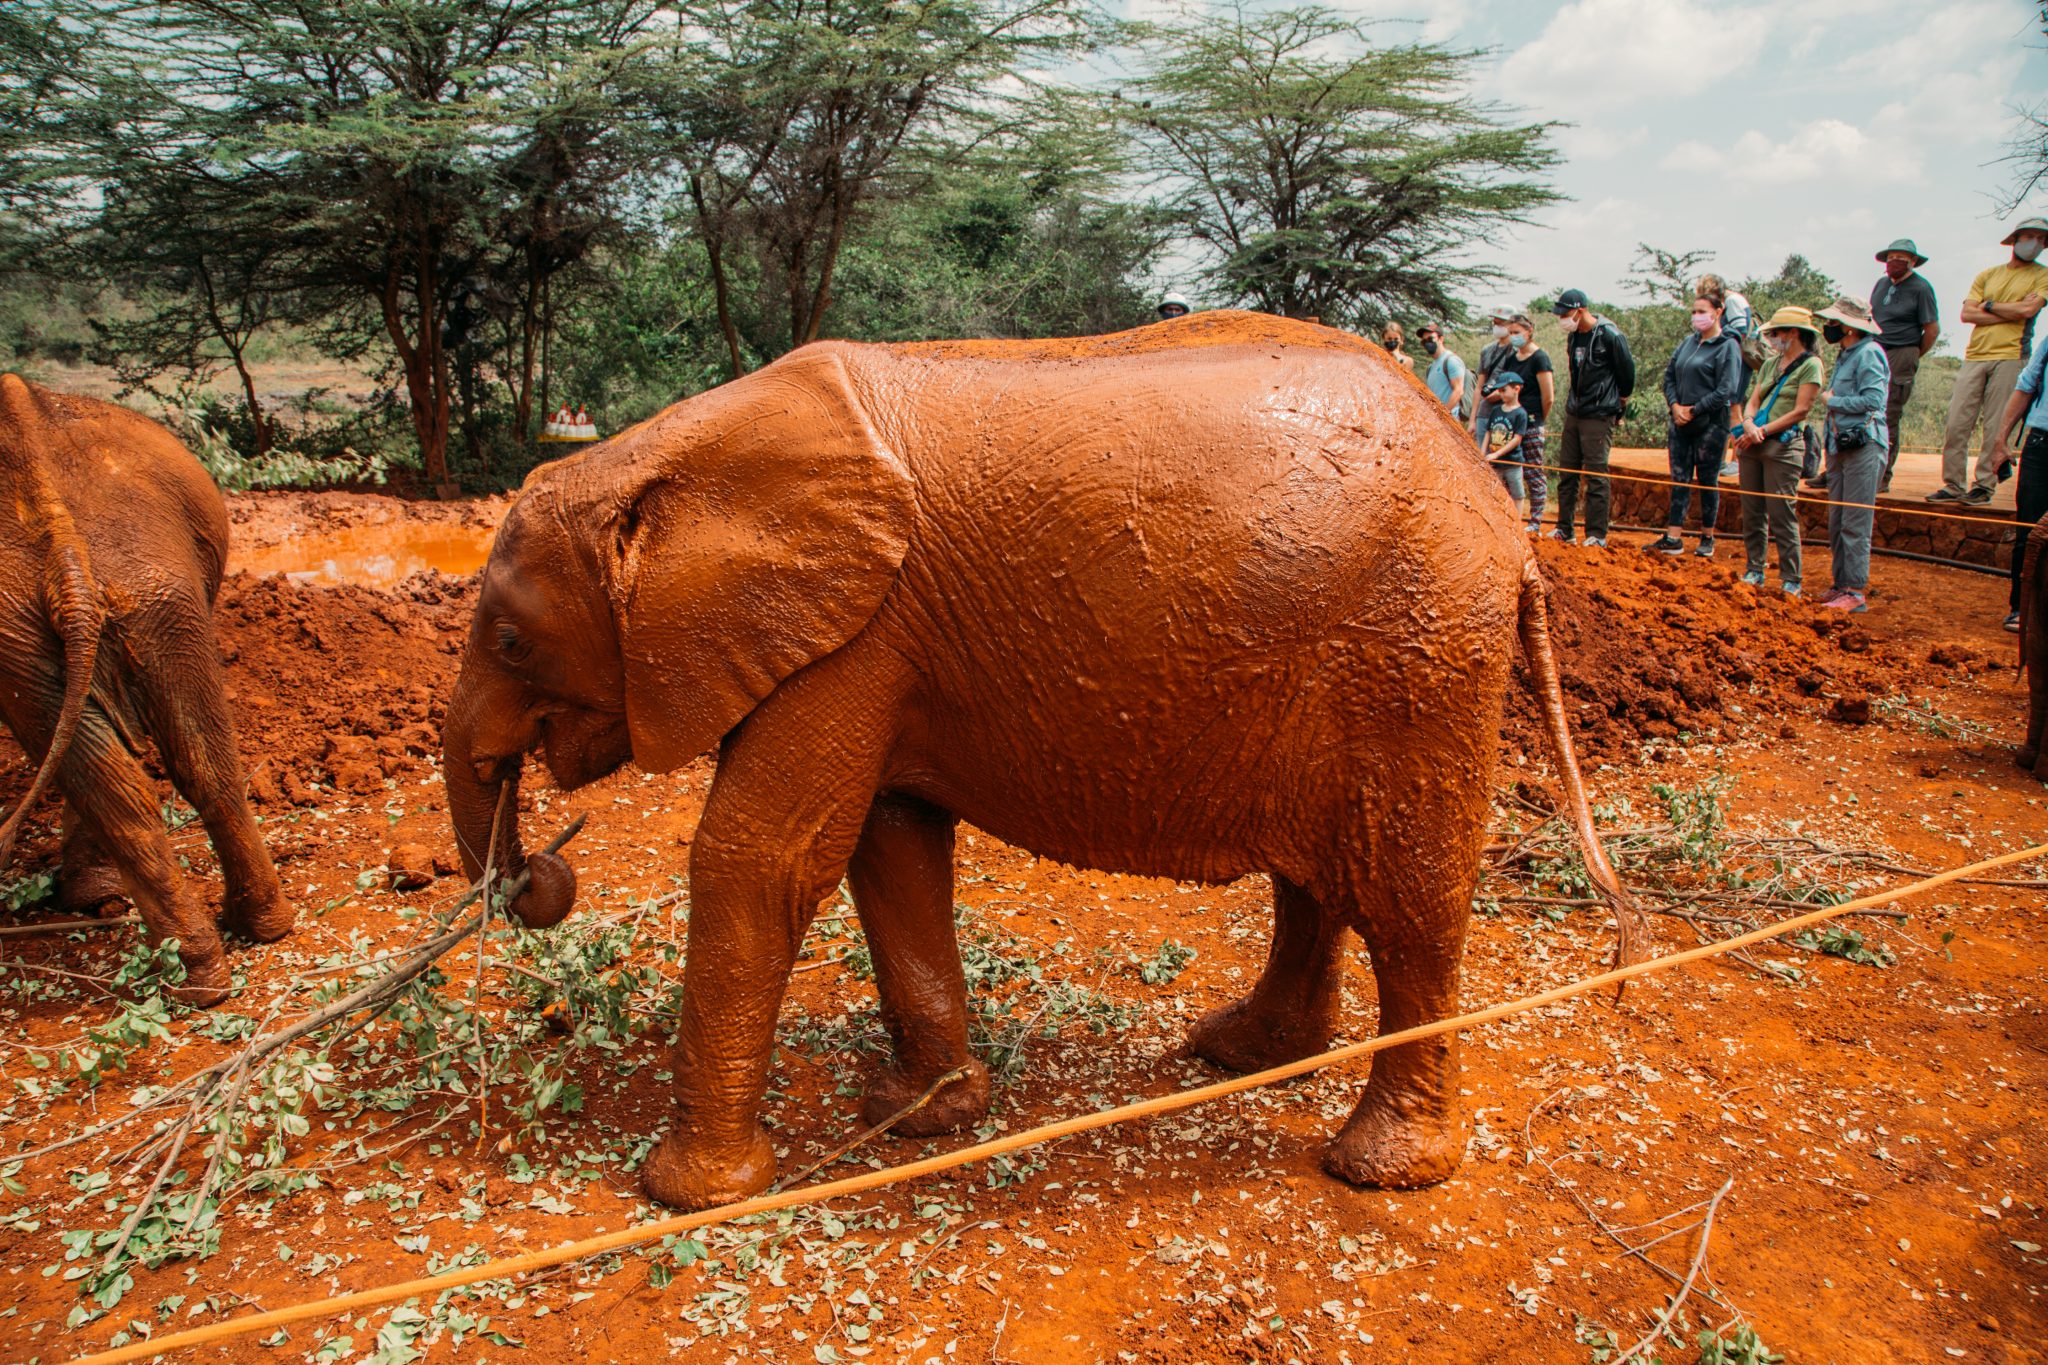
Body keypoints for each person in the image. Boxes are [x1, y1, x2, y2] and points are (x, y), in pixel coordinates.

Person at [1928, 217, 2048, 504]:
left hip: (2012, 355)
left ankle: (1984, 484)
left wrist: (1990, 305)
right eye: (2028, 236)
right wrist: (2012, 309)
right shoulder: (1987, 275)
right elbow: (1967, 314)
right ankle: (1953, 484)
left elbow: (2029, 310)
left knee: (1996, 426)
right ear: (2015, 239)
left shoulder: (2042, 275)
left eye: (2040, 239)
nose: (2034, 243)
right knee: (1957, 423)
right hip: (1975, 355)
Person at [1731, 306, 1824, 597]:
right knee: (1753, 510)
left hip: (1783, 444)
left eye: (1776, 333)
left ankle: (1791, 578)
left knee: (1782, 511)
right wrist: (1748, 424)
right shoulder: (1772, 364)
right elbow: (1754, 399)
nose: (1772, 339)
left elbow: (1801, 410)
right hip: (1753, 442)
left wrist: (1763, 431)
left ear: (1793, 333)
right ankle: (1754, 569)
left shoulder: (1811, 365)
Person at [1645, 289, 1743, 558]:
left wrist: (1695, 410)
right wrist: (1676, 406)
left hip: (1711, 424)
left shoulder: (1727, 346)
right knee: (1679, 478)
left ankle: (1707, 537)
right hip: (1680, 422)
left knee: (1707, 480)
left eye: (1702, 311)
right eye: (1694, 311)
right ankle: (1674, 537)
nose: (1697, 316)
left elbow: (1726, 389)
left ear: (1718, 312)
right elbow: (1669, 377)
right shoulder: (1688, 342)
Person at [1814, 297, 1892, 612]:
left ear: (1848, 326)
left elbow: (1873, 400)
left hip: (1864, 444)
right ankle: (1840, 584)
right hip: (1840, 444)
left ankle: (1855, 591)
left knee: (1855, 521)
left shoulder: (1870, 353)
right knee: (1838, 519)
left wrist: (1834, 401)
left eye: (1833, 322)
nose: (1828, 328)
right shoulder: (1847, 354)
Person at [1551, 287, 1636, 548]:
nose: (1563, 318)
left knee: (1596, 473)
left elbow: (1627, 373)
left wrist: (1618, 405)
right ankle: (1564, 529)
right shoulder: (1574, 337)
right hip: (1575, 410)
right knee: (1567, 471)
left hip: (1599, 412)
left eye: (1566, 313)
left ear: (1581, 310)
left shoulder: (1609, 335)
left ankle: (1596, 534)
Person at [1868, 238, 1939, 492]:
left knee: (1889, 413)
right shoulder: (1881, 284)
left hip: (1903, 351)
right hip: (1876, 350)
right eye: (1890, 257)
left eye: (1900, 257)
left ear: (1912, 261)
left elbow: (1931, 329)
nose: (1893, 262)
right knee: (1864, 409)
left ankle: (1882, 475)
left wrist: (1913, 353)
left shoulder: (1921, 288)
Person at [1990, 329, 2048, 630]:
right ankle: (2021, 607)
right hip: (2041, 443)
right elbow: (2025, 386)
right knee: (2029, 529)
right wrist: (2001, 440)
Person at [1503, 314, 1555, 532]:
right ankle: (1509, 519)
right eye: (1511, 333)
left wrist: (1537, 419)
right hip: (1511, 422)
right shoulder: (1512, 359)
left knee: (1533, 472)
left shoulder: (1540, 358)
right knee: (1508, 471)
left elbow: (1548, 396)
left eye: (1517, 332)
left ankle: (1535, 521)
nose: (1514, 337)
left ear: (1529, 331)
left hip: (1532, 422)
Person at [1467, 309, 1517, 448]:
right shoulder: (1487, 350)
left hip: (1505, 413)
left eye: (1501, 322)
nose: (1497, 325)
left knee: (1500, 458)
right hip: (1484, 411)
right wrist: (1472, 420)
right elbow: (1478, 387)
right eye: (1495, 322)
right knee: (1482, 457)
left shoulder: (1517, 351)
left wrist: (1499, 393)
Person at [1480, 371, 1530, 504]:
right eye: (1499, 391)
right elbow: (1488, 432)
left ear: (1516, 389)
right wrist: (1483, 452)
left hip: (1512, 462)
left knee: (1517, 494)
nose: (1501, 394)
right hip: (1495, 463)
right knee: (1494, 492)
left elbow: (1517, 439)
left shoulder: (1520, 413)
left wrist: (1496, 454)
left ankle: (1517, 523)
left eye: (1504, 390)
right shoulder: (1496, 410)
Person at [1418, 322, 1467, 417]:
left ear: (1441, 339)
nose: (1427, 343)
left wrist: (1443, 415)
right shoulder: (1431, 367)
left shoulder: (1451, 361)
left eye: (1430, 339)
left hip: (1449, 421)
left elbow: (1458, 391)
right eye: (1424, 341)